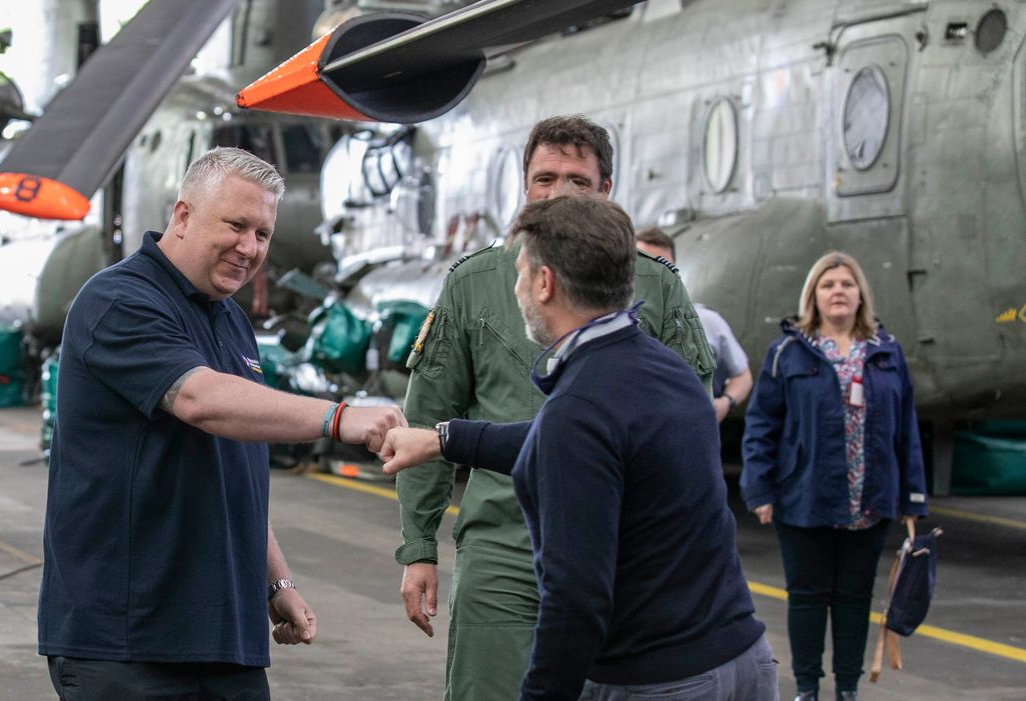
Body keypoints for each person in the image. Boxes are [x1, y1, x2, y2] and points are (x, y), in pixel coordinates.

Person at [38, 147, 404, 701]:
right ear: (182, 216)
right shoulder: (119, 300)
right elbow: (200, 400)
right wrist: (339, 418)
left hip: (223, 637)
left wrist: (275, 581)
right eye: (236, 225)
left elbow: (232, 469)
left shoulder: (231, 319)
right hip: (127, 641)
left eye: (262, 233)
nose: (249, 247)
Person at [381, 196, 774, 701]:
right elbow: (576, 441)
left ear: (544, 283)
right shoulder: (661, 368)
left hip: (659, 681)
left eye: (521, 273)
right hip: (744, 663)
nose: (517, 287)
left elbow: (576, 602)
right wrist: (445, 439)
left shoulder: (580, 408)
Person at [740, 251, 928, 701]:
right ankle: (807, 689)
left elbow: (907, 428)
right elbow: (762, 425)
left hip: (869, 500)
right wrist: (759, 487)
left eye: (846, 283)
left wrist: (913, 498)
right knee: (806, 597)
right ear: (813, 296)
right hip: (804, 499)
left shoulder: (886, 351)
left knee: (853, 600)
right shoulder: (787, 351)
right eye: (828, 285)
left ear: (860, 293)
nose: (838, 291)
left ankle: (847, 689)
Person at [635, 226, 753, 422]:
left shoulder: (707, 321)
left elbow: (743, 376)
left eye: (661, 265)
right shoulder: (614, 325)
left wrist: (725, 403)